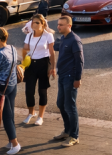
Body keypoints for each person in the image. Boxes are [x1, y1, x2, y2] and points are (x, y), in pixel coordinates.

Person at [50, 15, 83, 147]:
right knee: (61, 103)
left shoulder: (75, 40)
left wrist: (77, 78)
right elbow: (55, 48)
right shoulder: (63, 38)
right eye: (58, 24)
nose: (58, 27)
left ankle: (74, 136)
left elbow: (80, 61)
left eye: (61, 25)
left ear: (69, 26)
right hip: (62, 76)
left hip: (70, 78)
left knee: (70, 106)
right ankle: (67, 131)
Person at [0, 27, 21, 155]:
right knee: (10, 114)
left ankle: (15, 144)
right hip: (12, 85)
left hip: (2, 88)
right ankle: (10, 140)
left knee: (6, 117)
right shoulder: (12, 48)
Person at [21, 14, 55, 126]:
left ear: (43, 24)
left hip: (43, 63)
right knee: (29, 91)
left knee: (42, 90)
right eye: (32, 22)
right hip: (31, 64)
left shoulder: (48, 36)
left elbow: (52, 52)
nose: (33, 24)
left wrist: (53, 67)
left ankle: (40, 116)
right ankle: (31, 113)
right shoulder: (29, 35)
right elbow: (25, 49)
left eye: (36, 22)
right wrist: (23, 63)